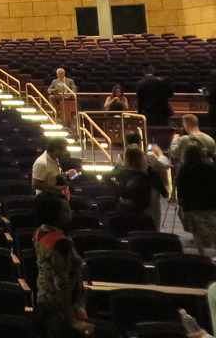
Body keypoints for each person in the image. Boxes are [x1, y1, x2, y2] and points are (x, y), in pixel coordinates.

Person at [32, 191, 115, 338]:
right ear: (54, 213)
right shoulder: (60, 244)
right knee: (110, 331)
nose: (70, 213)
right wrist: (73, 321)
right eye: (65, 210)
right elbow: (63, 287)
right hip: (59, 309)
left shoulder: (40, 231)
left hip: (44, 300)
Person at [108, 144, 167, 227]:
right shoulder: (149, 172)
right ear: (141, 157)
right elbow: (164, 193)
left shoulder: (121, 173)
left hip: (127, 210)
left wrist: (118, 188)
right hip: (148, 209)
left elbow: (106, 177)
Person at [176, 143, 216, 257]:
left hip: (192, 205)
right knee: (213, 230)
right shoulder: (210, 167)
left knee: (196, 232)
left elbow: (180, 188)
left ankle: (201, 254)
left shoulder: (183, 169)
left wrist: (180, 201)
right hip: (210, 203)